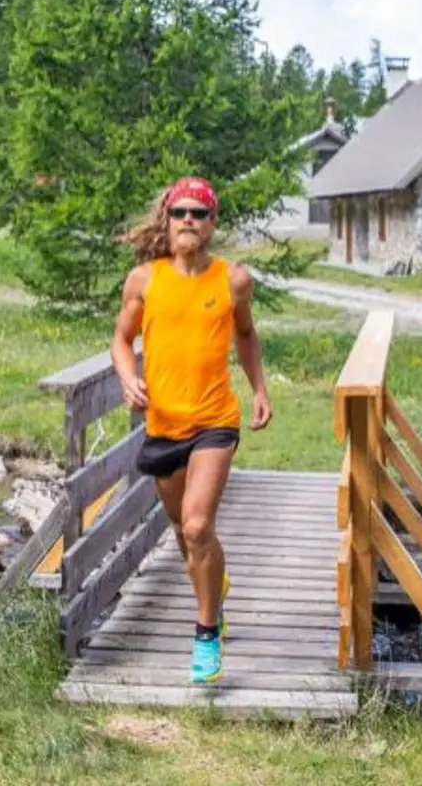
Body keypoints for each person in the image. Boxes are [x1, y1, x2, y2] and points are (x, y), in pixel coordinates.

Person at [110, 176, 272, 685]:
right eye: (179, 212)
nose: (187, 221)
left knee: (199, 526)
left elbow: (245, 334)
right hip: (164, 425)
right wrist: (127, 377)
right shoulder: (145, 280)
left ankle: (206, 632)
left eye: (198, 214)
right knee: (183, 532)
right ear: (167, 219)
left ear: (211, 223)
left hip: (214, 422)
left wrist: (260, 390)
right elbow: (120, 339)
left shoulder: (233, 281)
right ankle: (214, 586)